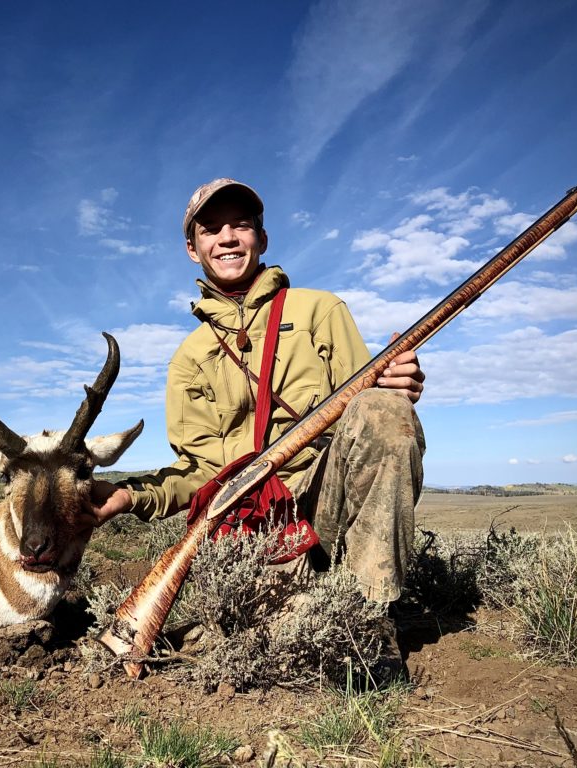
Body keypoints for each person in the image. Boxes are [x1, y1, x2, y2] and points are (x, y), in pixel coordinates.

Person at [90, 178, 426, 606]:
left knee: (380, 409)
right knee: (272, 623)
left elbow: (364, 414)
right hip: (255, 527)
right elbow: (199, 469)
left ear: (261, 239)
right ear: (193, 249)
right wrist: (129, 495)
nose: (227, 237)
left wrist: (394, 387)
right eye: (210, 229)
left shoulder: (320, 310)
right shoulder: (188, 359)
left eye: (241, 225)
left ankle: (370, 615)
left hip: (324, 500)